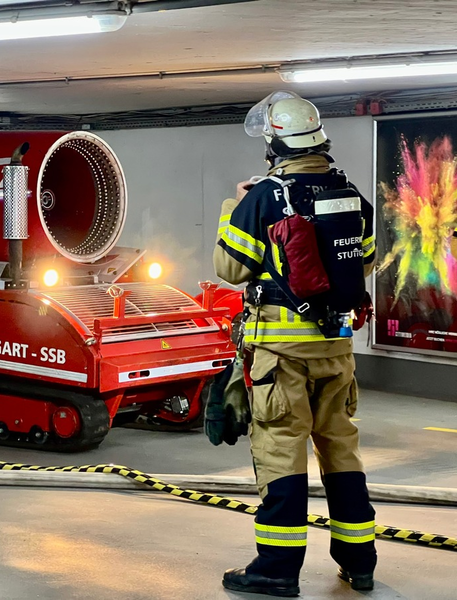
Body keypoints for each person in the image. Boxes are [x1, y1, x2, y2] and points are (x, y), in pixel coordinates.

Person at [213, 91, 377, 597]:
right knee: (341, 452)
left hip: (281, 357)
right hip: (336, 348)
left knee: (282, 456)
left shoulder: (263, 196)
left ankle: (276, 571)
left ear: (274, 143)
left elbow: (230, 268)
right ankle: (359, 563)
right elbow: (364, 263)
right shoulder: (348, 192)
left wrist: (232, 205)